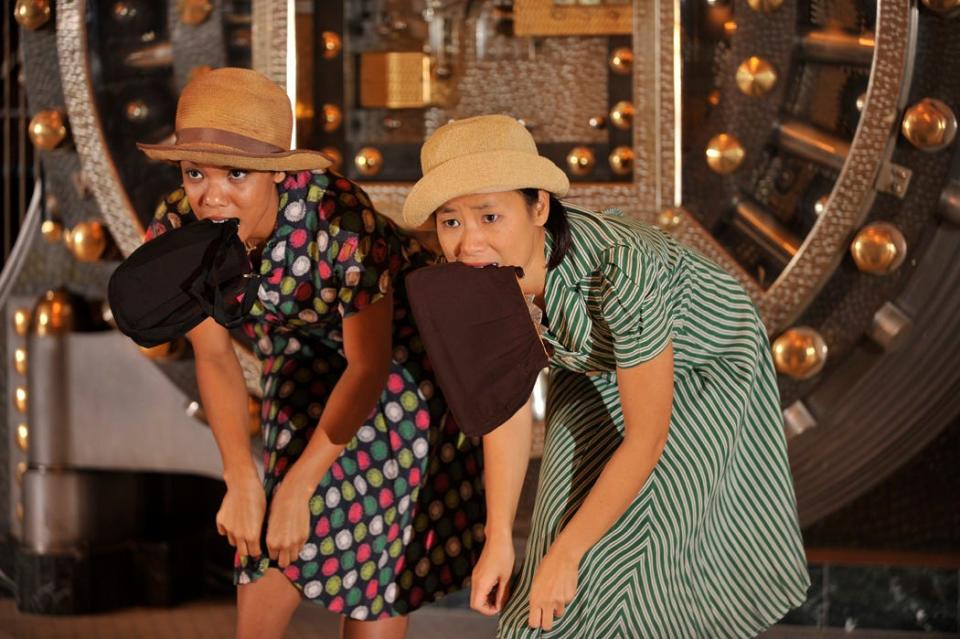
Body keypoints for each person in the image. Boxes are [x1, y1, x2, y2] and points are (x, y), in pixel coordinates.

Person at [399, 114, 811, 638]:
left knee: (626, 555)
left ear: (539, 207)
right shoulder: (477, 281)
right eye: (451, 221)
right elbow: (508, 406)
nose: (470, 243)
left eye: (489, 216)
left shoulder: (621, 271)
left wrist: (568, 556)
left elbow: (647, 437)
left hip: (703, 371)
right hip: (596, 363)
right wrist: (499, 536)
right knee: (557, 533)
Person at [133, 67, 484, 639]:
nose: (211, 195)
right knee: (265, 511)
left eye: (236, 173)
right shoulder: (179, 225)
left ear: (276, 173)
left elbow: (368, 366)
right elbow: (215, 357)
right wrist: (240, 478)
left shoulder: (340, 221)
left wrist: (301, 487)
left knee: (369, 526)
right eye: (195, 172)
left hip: (402, 349)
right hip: (296, 344)